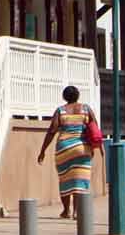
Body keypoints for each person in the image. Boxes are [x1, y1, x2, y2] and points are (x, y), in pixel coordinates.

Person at [36, 84, 96, 219]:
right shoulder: (86, 109)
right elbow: (94, 128)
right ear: (78, 96)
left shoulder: (60, 111)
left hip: (64, 149)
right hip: (82, 148)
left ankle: (66, 211)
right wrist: (95, 147)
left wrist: (42, 150)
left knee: (65, 179)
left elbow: (52, 131)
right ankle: (76, 211)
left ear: (64, 97)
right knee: (80, 180)